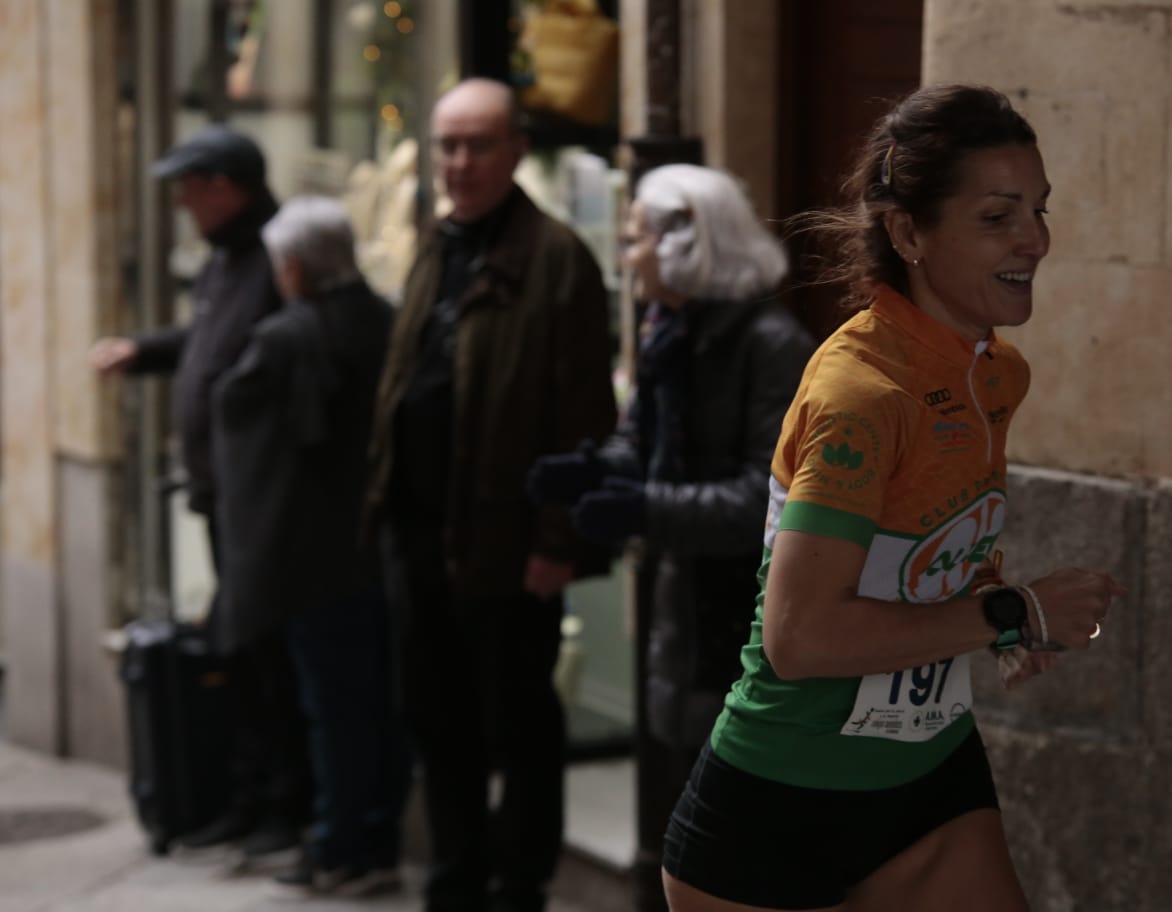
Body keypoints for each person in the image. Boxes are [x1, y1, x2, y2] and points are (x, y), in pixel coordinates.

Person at [657, 84, 1126, 911]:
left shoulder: (996, 372)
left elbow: (920, 550)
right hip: (780, 805)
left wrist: (993, 601)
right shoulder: (861, 393)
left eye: (1039, 210)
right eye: (997, 216)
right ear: (909, 232)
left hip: (929, 775)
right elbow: (800, 637)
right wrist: (1012, 613)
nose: (1036, 239)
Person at [527, 164, 813, 912]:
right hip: (680, 613)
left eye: (638, 239)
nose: (629, 256)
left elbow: (769, 500)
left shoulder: (769, 344)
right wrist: (589, 471)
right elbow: (642, 445)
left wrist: (644, 508)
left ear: (689, 243)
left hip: (742, 621)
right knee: (681, 829)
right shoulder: (668, 333)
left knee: (739, 846)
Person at [362, 78, 618, 912]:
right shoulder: (435, 245)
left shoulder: (556, 260)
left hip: (508, 543)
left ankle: (518, 886)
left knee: (519, 728)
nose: (460, 162)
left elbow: (583, 418)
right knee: (437, 726)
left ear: (514, 151)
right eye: (448, 145)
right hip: (419, 534)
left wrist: (558, 542)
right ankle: (455, 880)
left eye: (477, 144)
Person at [89, 124, 311, 858]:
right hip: (225, 498)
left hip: (265, 504)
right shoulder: (226, 261)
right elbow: (206, 341)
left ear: (226, 188)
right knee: (241, 654)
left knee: (265, 653)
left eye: (191, 188)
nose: (183, 202)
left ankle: (285, 804)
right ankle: (251, 797)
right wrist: (144, 350)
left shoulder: (278, 258)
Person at [209, 195, 411, 896]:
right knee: (376, 706)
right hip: (382, 548)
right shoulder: (385, 319)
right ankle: (373, 840)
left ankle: (341, 847)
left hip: (312, 558)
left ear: (292, 267)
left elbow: (233, 420)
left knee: (333, 711)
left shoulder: (288, 336)